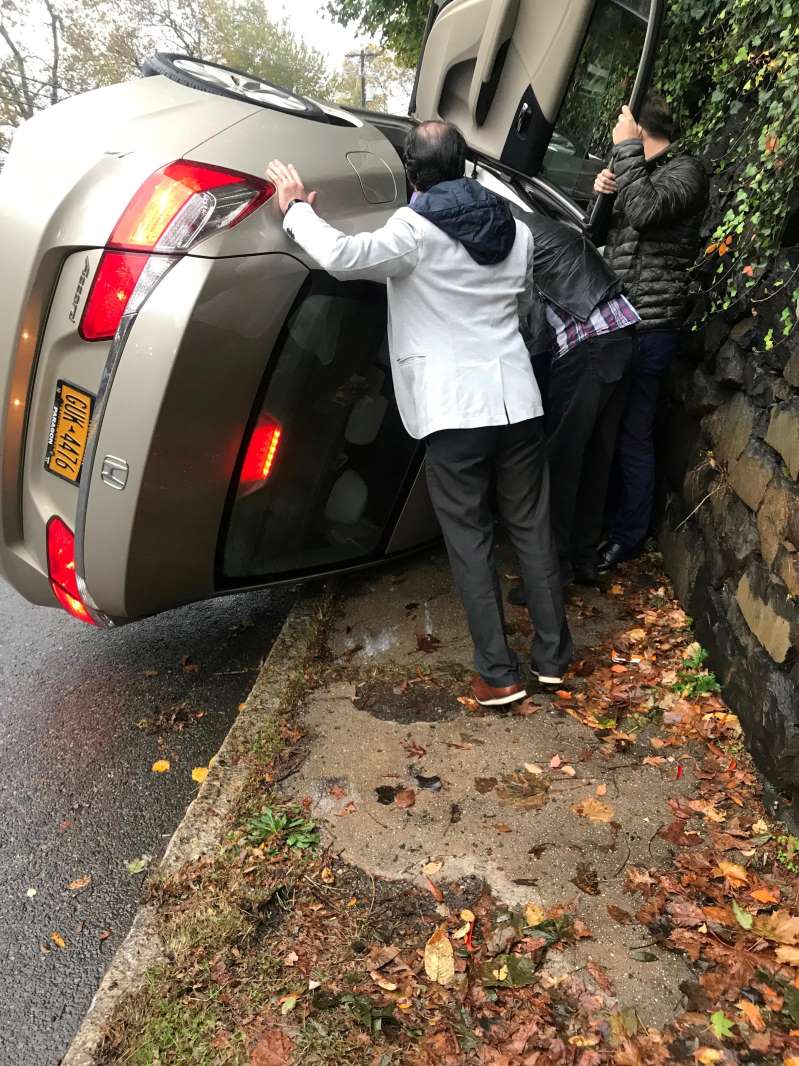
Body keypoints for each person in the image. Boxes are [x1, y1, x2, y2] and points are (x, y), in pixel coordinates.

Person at [266, 122, 572, 707]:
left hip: (454, 409)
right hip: (517, 399)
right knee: (533, 528)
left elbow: (342, 256)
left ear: (413, 173)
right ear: (462, 165)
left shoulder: (416, 227)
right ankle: (554, 657)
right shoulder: (516, 231)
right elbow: (520, 302)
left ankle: (499, 674)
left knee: (471, 539)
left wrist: (296, 210)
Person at [592, 93, 708, 571]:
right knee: (609, 428)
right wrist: (603, 191)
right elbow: (598, 233)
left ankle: (629, 536)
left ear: (640, 128)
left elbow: (643, 212)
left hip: (653, 324)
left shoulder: (687, 172)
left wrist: (625, 154)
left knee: (632, 432)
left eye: (626, 126)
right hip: (619, 317)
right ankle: (604, 522)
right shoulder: (634, 171)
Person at [507, 214, 638, 605]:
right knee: (596, 455)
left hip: (588, 340)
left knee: (560, 459)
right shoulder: (527, 221)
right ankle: (583, 560)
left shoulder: (504, 233)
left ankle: (551, 572)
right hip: (620, 329)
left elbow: (524, 323)